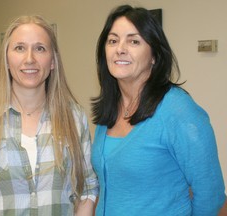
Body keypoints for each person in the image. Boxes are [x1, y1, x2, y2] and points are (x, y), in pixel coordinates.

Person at [0, 15, 98, 216]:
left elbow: (87, 187)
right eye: (20, 48)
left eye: (40, 48)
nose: (30, 58)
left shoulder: (74, 117)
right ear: (6, 59)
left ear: (53, 61)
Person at [91, 4, 226, 216]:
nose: (120, 48)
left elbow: (211, 194)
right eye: (113, 40)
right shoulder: (108, 109)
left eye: (134, 41)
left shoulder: (178, 111)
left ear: (154, 55)